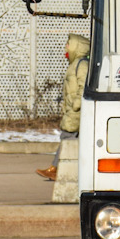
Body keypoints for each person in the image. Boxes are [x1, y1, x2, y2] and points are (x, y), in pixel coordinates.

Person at [38, 33, 89, 181]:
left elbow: (83, 86)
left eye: (68, 44)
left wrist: (76, 105)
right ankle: (57, 168)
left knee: (68, 137)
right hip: (73, 110)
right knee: (70, 138)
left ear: (76, 47)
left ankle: (56, 169)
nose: (66, 47)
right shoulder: (75, 64)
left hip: (76, 111)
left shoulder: (81, 65)